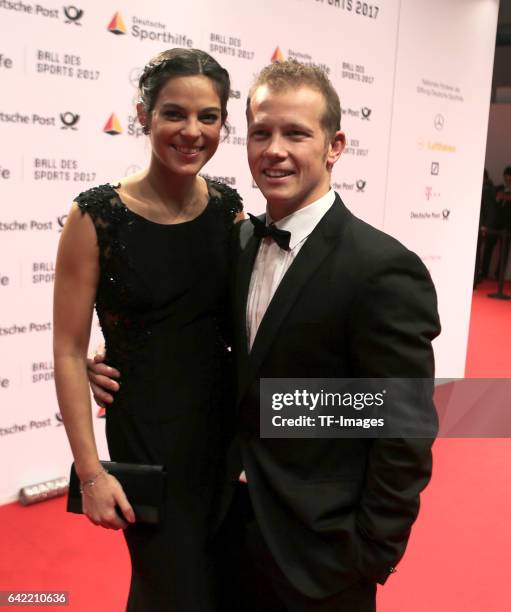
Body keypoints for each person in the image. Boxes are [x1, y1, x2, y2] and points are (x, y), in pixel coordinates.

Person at [90, 61, 441, 611]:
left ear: (335, 145)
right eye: (261, 132)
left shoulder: (382, 269)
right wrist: (121, 351)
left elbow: (401, 421)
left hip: (322, 554)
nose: (275, 149)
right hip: (223, 527)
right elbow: (196, 336)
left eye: (296, 132)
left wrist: (371, 551)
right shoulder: (238, 242)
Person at [53, 48, 242, 612]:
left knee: (209, 585)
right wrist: (89, 474)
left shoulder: (228, 210)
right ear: (143, 116)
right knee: (174, 584)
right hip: (147, 438)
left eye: (208, 117)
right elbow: (66, 350)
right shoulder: (96, 217)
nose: (192, 131)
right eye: (174, 114)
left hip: (221, 435)